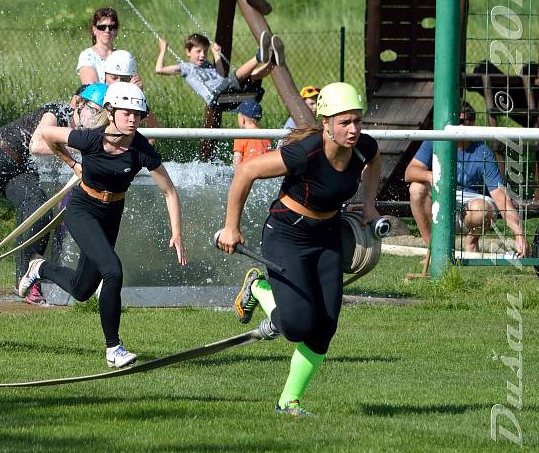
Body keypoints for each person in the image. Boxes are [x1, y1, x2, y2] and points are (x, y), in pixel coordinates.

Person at [217, 82, 381, 417]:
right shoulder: (305, 152)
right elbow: (247, 171)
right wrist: (232, 227)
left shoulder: (364, 148)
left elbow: (375, 163)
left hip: (328, 236)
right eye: (344, 122)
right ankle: (258, 287)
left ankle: (288, 402)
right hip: (286, 235)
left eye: (357, 121)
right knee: (295, 325)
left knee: (325, 327)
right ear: (326, 124)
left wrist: (369, 205)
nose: (353, 129)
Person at [19, 82, 187, 368]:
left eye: (138, 114)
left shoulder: (141, 148)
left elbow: (169, 190)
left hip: (111, 214)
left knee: (82, 290)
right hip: (82, 209)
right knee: (113, 270)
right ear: (110, 112)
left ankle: (39, 267)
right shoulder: (90, 139)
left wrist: (177, 232)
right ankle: (114, 348)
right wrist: (73, 164)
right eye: (126, 113)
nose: (133, 119)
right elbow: (46, 134)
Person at [0, 84, 110, 306]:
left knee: (39, 213)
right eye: (93, 111)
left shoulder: (86, 130)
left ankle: (25, 283)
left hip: (18, 170)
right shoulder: (56, 112)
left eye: (102, 114)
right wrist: (83, 149)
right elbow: (37, 145)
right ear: (78, 104)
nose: (96, 119)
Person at [404, 104, 528, 256]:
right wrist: (431, 176)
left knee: (481, 209)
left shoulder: (483, 152)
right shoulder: (434, 141)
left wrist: (519, 233)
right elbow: (409, 172)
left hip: (473, 207)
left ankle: (471, 243)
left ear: (473, 123)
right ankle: (434, 252)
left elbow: (500, 196)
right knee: (416, 189)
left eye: (466, 120)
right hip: (442, 200)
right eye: (457, 120)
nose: (461, 125)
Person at [154, 31, 279, 109]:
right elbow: (159, 70)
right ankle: (259, 57)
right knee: (235, 78)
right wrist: (163, 49)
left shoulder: (207, 64)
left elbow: (220, 74)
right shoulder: (186, 68)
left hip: (229, 96)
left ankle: (273, 61)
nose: (202, 55)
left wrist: (216, 54)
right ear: (188, 52)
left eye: (205, 51)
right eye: (198, 51)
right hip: (216, 98)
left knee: (252, 77)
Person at [77, 7, 121, 85]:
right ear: (94, 30)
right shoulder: (88, 56)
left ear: (116, 31)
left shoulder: (122, 56)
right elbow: (93, 90)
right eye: (102, 27)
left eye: (111, 27)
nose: (107, 31)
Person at [232, 100, 271, 167]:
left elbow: (237, 162)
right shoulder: (266, 136)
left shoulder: (241, 136)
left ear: (242, 119)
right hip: (264, 171)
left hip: (248, 173)